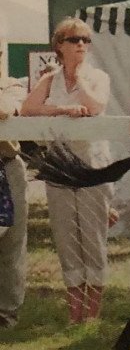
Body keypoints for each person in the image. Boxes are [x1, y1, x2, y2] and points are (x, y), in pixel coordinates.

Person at [21, 17, 115, 324]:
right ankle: (75, 314)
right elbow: (27, 110)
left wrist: (79, 79)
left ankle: (94, 313)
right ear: (59, 45)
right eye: (75, 39)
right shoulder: (50, 79)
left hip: (91, 169)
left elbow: (96, 106)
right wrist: (61, 109)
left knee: (93, 238)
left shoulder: (98, 76)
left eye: (86, 40)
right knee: (66, 240)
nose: (81, 46)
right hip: (59, 169)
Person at [0, 78, 30, 328]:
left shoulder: (13, 86)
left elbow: (5, 109)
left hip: (8, 166)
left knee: (13, 242)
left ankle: (7, 314)